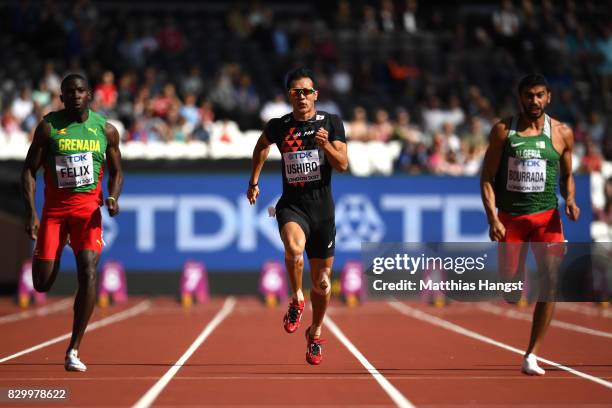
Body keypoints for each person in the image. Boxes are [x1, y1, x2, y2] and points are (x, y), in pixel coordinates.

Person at [21, 74, 123, 372]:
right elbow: (29, 171)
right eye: (69, 92)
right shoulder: (48, 127)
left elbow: (117, 171)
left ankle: (74, 348)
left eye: (80, 90)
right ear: (62, 97)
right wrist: (31, 212)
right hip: (54, 213)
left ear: (89, 94)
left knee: (89, 271)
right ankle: (58, 242)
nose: (76, 95)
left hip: (87, 212)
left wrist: (113, 197)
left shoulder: (105, 130)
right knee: (41, 284)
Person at [247, 67, 348, 365]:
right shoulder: (280, 126)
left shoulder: (331, 123)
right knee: (293, 250)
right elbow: (261, 147)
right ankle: (296, 299)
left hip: (323, 212)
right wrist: (254, 181)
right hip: (292, 205)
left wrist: (326, 145)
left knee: (323, 283)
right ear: (289, 96)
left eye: (306, 91)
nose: (302, 97)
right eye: (296, 92)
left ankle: (315, 333)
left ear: (316, 95)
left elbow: (342, 165)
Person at [480, 74, 580, 376]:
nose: (533, 101)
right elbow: (486, 178)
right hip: (512, 219)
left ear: (548, 96)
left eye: (539, 95)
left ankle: (531, 354)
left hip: (547, 218)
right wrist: (493, 218)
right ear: (519, 96)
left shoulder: (562, 133)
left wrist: (571, 199)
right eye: (528, 95)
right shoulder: (503, 131)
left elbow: (566, 175)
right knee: (511, 291)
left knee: (550, 282)